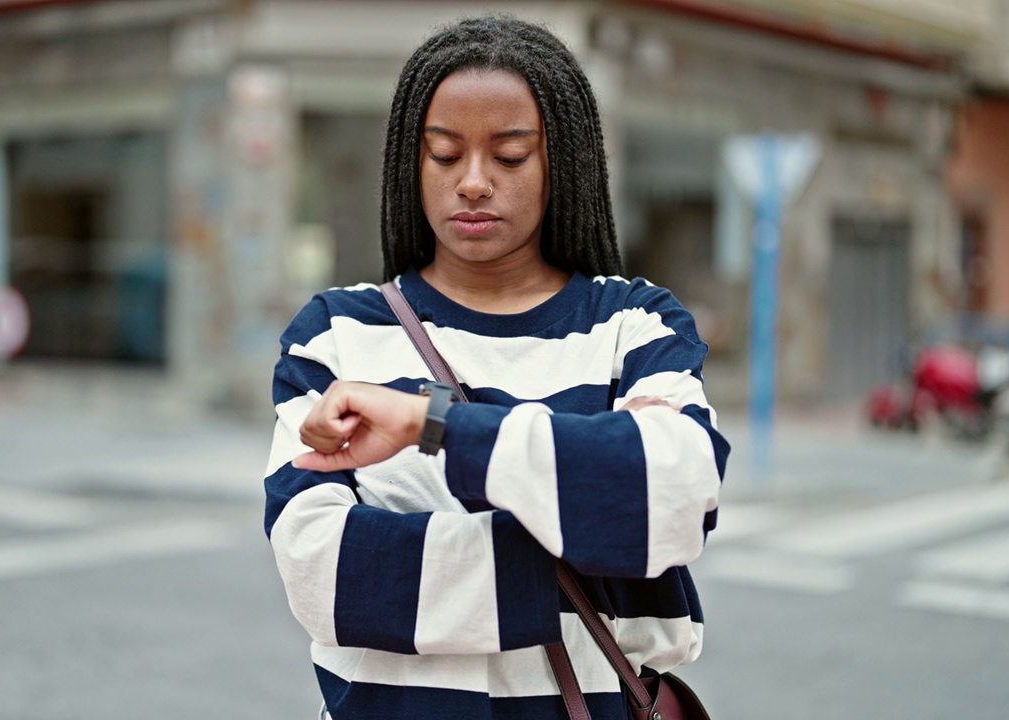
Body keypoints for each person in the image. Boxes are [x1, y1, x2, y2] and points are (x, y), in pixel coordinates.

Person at [264, 15, 730, 720]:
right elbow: (323, 575)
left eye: (510, 156)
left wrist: (436, 425)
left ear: (561, 162)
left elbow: (673, 493)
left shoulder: (634, 325)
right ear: (410, 164)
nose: (474, 182)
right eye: (445, 155)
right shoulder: (335, 335)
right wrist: (587, 542)